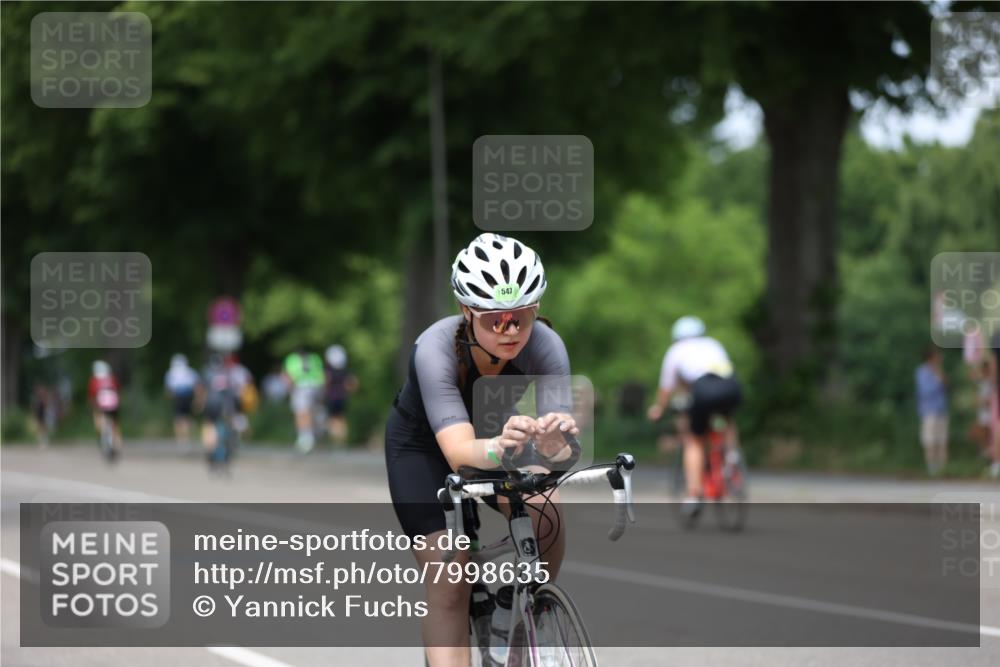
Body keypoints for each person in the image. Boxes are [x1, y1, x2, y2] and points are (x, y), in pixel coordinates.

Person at [385, 234, 578, 667]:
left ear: (536, 310)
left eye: (521, 317)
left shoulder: (547, 347)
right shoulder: (434, 349)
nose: (510, 331)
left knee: (547, 499)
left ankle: (524, 600)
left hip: (498, 437)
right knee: (450, 583)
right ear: (466, 311)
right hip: (424, 450)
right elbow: (457, 452)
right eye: (494, 320)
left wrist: (557, 441)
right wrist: (500, 445)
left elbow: (556, 452)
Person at [647, 316, 743, 517]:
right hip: (731, 385)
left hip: (703, 390)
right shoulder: (713, 344)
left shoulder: (676, 351)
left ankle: (693, 494)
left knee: (694, 440)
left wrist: (658, 409)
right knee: (727, 419)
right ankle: (731, 457)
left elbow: (667, 388)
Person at [283, 347, 325, 452]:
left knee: (301, 413)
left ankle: (305, 438)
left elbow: (288, 376)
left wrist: (289, 388)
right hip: (316, 387)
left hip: (301, 387)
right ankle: (314, 434)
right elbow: (321, 375)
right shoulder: (315, 358)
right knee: (312, 412)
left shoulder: (292, 359)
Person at [915, 346, 949, 475]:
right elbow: (925, 391)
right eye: (937, 356)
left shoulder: (939, 371)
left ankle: (943, 468)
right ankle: (931, 468)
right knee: (930, 439)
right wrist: (938, 381)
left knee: (942, 439)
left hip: (941, 409)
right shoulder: (922, 372)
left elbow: (946, 387)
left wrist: (941, 378)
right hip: (929, 410)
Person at [323, 344, 359, 447]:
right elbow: (352, 384)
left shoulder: (328, 370)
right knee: (342, 419)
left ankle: (336, 442)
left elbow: (326, 382)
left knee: (333, 419)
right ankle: (342, 441)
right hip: (343, 397)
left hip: (331, 397)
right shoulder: (345, 371)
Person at [87, 360, 123, 460]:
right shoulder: (112, 379)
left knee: (99, 421)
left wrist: (93, 407)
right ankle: (118, 444)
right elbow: (118, 391)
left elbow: (91, 397)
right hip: (114, 405)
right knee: (115, 425)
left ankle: (103, 437)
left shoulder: (94, 381)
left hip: (101, 407)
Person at [164, 353, 199, 443]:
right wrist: (196, 399)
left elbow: (169, 390)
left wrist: (172, 398)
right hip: (188, 396)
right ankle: (188, 437)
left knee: (178, 419)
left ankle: (182, 440)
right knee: (187, 418)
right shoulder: (190, 372)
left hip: (178, 396)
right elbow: (196, 386)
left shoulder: (171, 373)